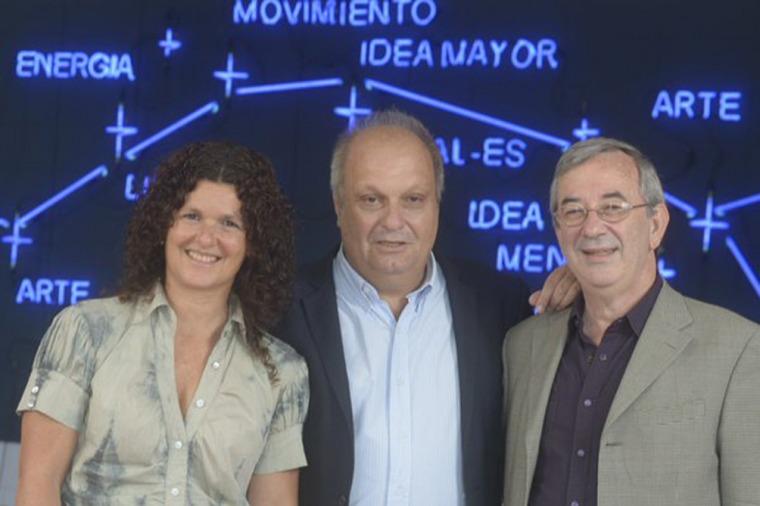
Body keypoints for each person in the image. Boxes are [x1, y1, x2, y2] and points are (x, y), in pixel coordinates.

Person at [276, 109, 577, 506]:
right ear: (338, 205)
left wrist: (585, 291)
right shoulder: (278, 311)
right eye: (371, 200)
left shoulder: (501, 305)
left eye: (413, 200)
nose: (393, 221)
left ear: (436, 204)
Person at [16, 141, 309, 505]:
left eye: (229, 223)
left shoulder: (282, 372)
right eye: (192, 216)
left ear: (253, 243)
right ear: (163, 224)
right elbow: (37, 488)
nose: (207, 237)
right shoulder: (84, 331)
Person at [502, 137, 760, 506]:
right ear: (558, 230)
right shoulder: (521, 346)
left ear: (656, 224)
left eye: (613, 207)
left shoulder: (738, 351)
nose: (592, 228)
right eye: (573, 211)